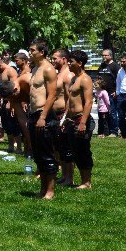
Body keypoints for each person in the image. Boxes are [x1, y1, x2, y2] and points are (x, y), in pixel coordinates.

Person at [28, 40, 58, 199]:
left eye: (33, 50)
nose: (30, 53)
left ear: (42, 52)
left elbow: (52, 95)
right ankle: (42, 189)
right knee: (38, 155)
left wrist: (43, 117)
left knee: (47, 154)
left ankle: (51, 191)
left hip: (43, 115)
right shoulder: (35, 68)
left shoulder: (48, 69)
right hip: (33, 115)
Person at [64, 50, 95, 190]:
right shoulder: (73, 79)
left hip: (80, 119)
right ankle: (81, 180)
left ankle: (86, 182)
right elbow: (69, 101)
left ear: (80, 63)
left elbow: (88, 102)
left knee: (83, 150)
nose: (69, 64)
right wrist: (65, 119)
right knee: (75, 151)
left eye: (71, 61)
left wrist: (83, 122)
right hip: (71, 120)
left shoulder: (85, 79)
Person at [52, 48, 75, 187]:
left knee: (67, 148)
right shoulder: (58, 74)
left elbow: (69, 98)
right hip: (55, 115)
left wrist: (65, 117)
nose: (53, 61)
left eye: (55, 58)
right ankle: (64, 175)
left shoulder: (68, 75)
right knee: (59, 147)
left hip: (63, 115)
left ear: (64, 59)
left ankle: (69, 178)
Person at [0, 55, 21, 153]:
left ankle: (19, 148)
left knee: (14, 125)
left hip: (11, 101)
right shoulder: (1, 73)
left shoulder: (10, 71)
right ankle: (11, 146)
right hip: (4, 101)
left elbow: (14, 88)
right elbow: (2, 89)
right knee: (6, 124)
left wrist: (11, 102)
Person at [97, 48, 120, 138]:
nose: (104, 57)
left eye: (106, 55)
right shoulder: (102, 66)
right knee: (103, 114)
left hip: (111, 93)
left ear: (110, 56)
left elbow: (119, 80)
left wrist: (115, 91)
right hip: (102, 93)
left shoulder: (115, 66)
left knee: (112, 113)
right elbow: (98, 78)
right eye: (103, 55)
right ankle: (105, 131)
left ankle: (114, 132)